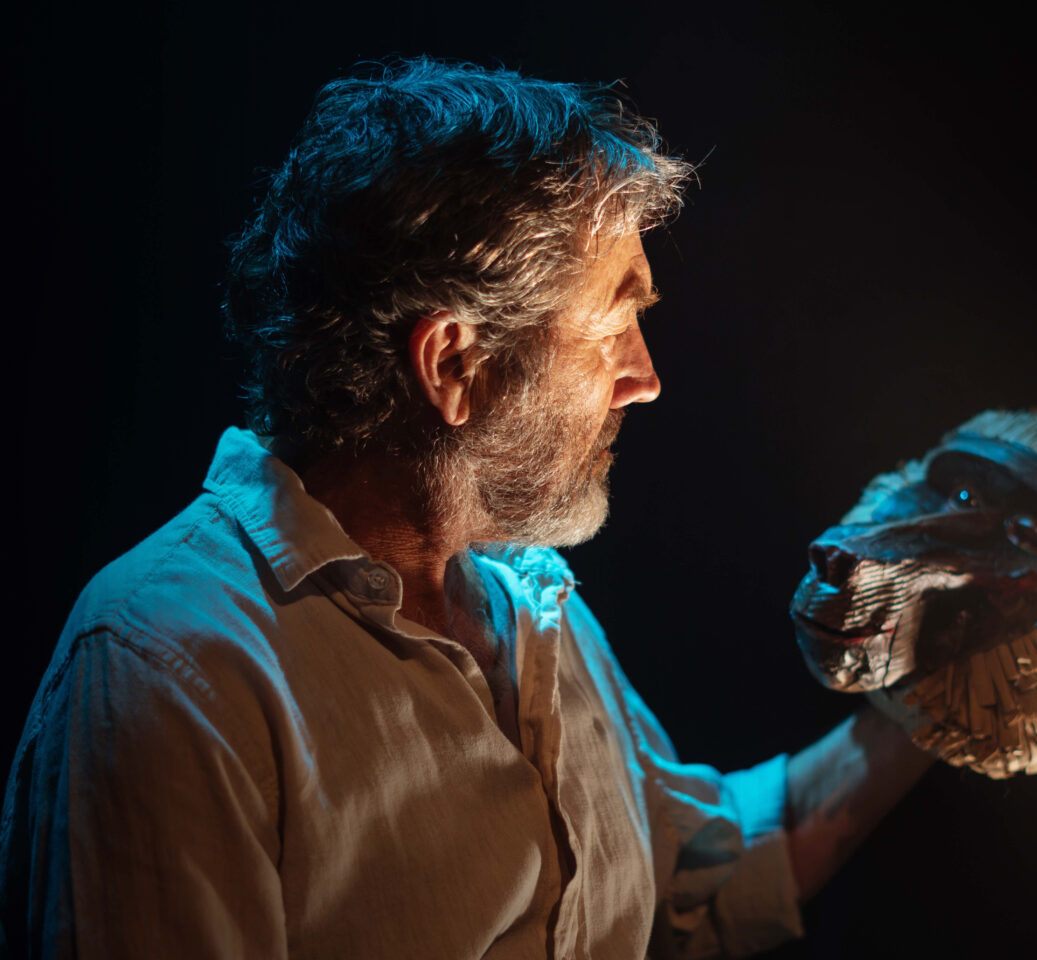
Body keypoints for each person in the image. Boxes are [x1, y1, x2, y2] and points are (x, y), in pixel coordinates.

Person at [0, 58, 932, 958]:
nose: (645, 379)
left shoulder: (531, 606)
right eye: (614, 326)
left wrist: (938, 688)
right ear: (455, 364)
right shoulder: (167, 671)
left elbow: (695, 885)